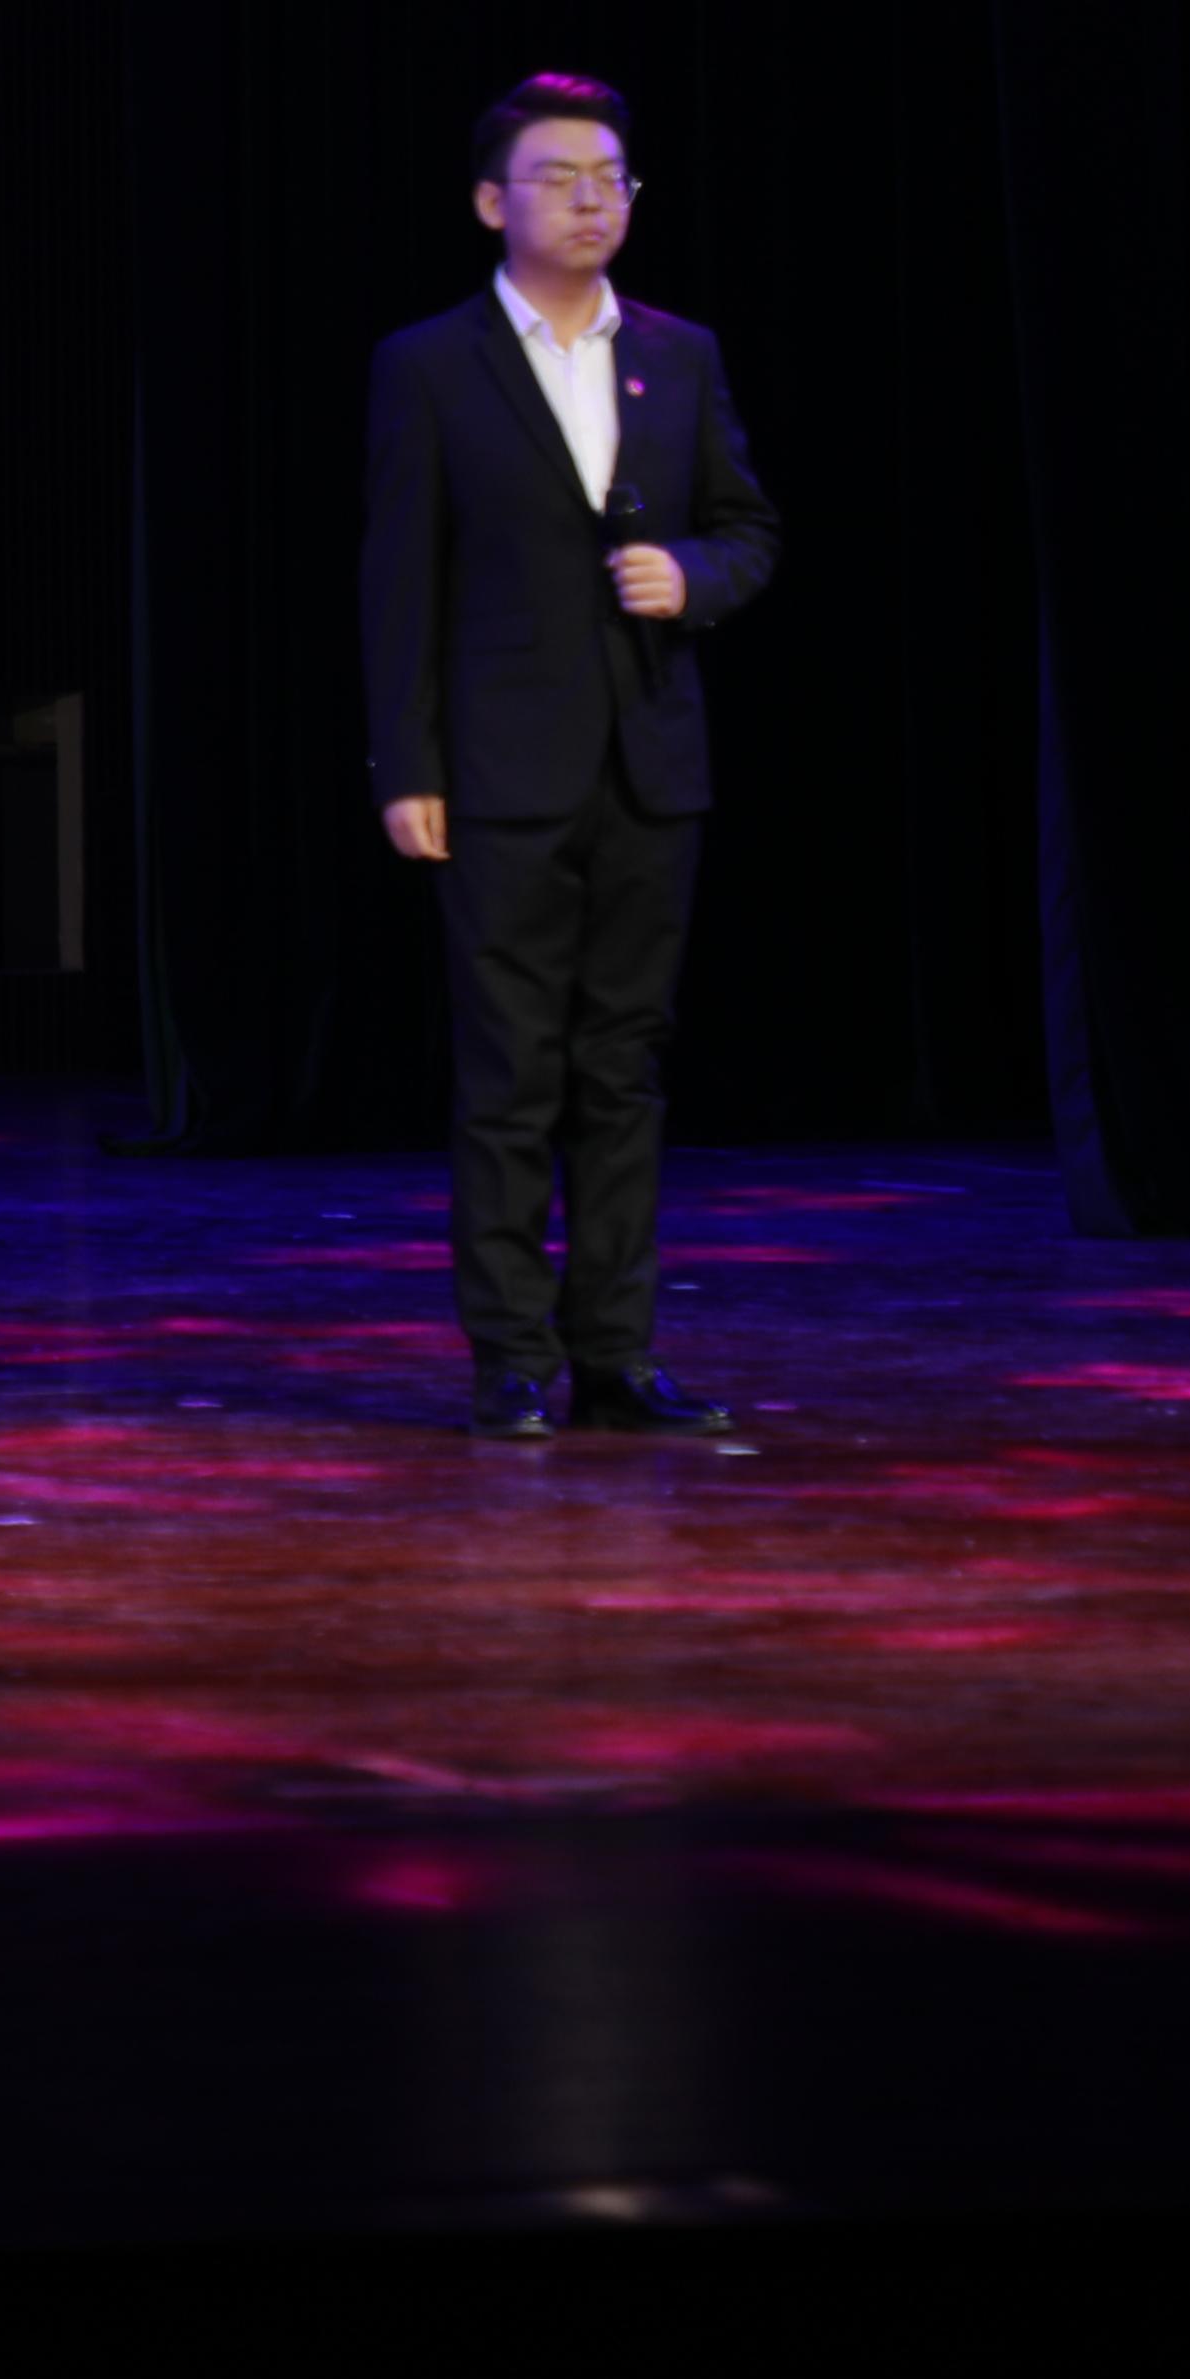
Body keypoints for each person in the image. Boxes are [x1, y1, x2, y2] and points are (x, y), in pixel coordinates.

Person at [361, 72, 782, 1439]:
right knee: (510, 1070)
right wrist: (406, 766)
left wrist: (695, 576)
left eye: (613, 177)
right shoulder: (431, 363)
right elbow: (399, 579)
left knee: (623, 1069)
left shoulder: (680, 352)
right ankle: (510, 1357)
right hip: (498, 772)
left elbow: (749, 528)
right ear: (494, 203)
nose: (594, 198)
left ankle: (617, 1355)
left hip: (650, 764)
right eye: (561, 176)